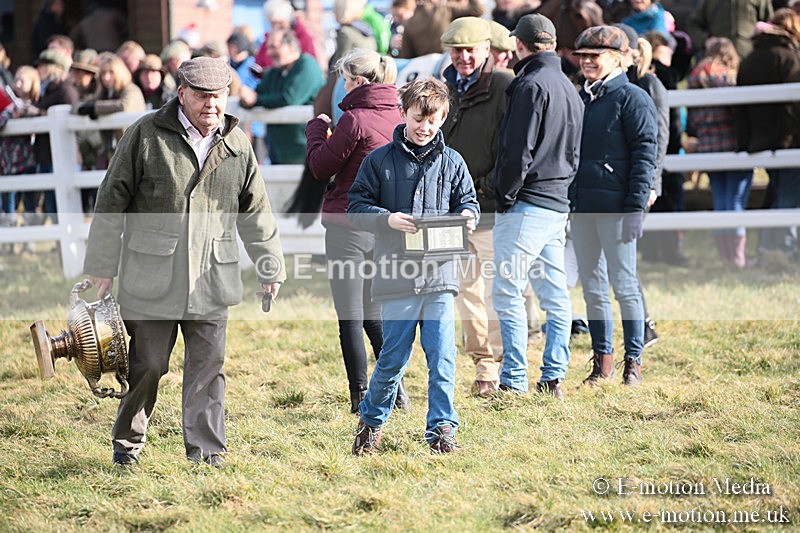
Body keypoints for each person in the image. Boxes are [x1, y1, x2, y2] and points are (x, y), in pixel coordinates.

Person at [83, 56, 286, 467]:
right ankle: (127, 445)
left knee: (209, 367)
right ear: (182, 94)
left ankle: (207, 453)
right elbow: (111, 201)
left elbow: (256, 212)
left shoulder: (236, 143)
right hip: (152, 275)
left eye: (219, 96)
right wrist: (102, 265)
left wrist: (270, 265)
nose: (212, 104)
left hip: (213, 275)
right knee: (148, 365)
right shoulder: (144, 135)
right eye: (202, 96)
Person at [347, 77, 479, 455]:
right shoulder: (379, 161)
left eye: (433, 120)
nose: (425, 127)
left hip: (440, 277)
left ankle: (442, 429)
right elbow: (356, 207)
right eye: (419, 118)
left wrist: (468, 214)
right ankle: (371, 424)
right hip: (396, 277)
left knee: (443, 357)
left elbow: (467, 201)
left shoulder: (453, 162)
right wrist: (386, 218)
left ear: (443, 119)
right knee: (393, 359)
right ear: (403, 113)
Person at [305, 49, 405, 413]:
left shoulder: (354, 119)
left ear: (359, 82)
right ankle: (398, 388)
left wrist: (317, 128)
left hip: (348, 225)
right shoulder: (399, 116)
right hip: (384, 225)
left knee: (350, 315)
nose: (342, 86)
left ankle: (360, 394)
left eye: (345, 79)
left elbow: (320, 166)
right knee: (374, 314)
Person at [491, 14, 584, 400]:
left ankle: (513, 379)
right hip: (557, 203)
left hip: (527, 203)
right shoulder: (570, 87)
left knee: (508, 292)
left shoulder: (529, 85)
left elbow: (517, 151)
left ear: (520, 44)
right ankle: (554, 376)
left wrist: (504, 195)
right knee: (554, 294)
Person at [569, 25, 658, 387]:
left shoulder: (633, 99)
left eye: (596, 56)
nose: (587, 62)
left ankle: (632, 361)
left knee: (623, 285)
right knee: (592, 286)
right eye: (583, 56)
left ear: (618, 58)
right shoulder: (581, 98)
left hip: (617, 208)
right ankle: (601, 361)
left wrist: (635, 207)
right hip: (583, 206)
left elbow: (644, 156)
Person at [439, 17, 513, 397]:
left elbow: (510, 147)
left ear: (487, 49)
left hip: (489, 205)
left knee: (492, 290)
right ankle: (482, 364)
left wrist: (486, 187)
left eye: (471, 49)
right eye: (457, 50)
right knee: (466, 290)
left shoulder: (504, 85)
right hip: (452, 210)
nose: (464, 57)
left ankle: (498, 366)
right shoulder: (445, 87)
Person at [736, 9, 800, 259]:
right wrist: (785, 140)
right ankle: (782, 249)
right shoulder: (789, 58)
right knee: (788, 194)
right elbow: (791, 108)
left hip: (760, 140)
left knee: (777, 191)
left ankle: (766, 246)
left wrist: (744, 143)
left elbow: (740, 107)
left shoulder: (750, 58)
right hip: (788, 141)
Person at [687, 37, 751, 267]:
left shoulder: (695, 78)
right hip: (733, 145)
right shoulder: (728, 78)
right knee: (735, 200)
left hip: (708, 147)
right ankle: (738, 258)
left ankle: (726, 258)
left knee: (720, 200)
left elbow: (692, 120)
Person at [241, 30, 325, 164]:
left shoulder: (307, 65)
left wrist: (256, 100)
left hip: (305, 149)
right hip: (278, 150)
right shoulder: (275, 72)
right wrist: (247, 99)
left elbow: (290, 98)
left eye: (274, 47)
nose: (269, 53)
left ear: (290, 47)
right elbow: (255, 94)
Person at [400, 0, 485, 58]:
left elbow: (406, 55)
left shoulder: (410, 21)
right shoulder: (444, 9)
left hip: (424, 70)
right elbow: (477, 9)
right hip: (447, 61)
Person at [687, 0, 772, 58]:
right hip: (718, 57)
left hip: (750, 55)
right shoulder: (709, 1)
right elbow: (693, 26)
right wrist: (705, 40)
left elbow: (770, 24)